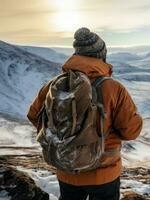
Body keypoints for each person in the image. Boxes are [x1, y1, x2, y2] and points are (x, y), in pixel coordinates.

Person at [27, 27, 143, 200]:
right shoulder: (113, 88)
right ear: (101, 55)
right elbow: (131, 131)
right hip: (103, 173)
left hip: (66, 168)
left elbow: (34, 115)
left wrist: (64, 135)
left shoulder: (54, 85)